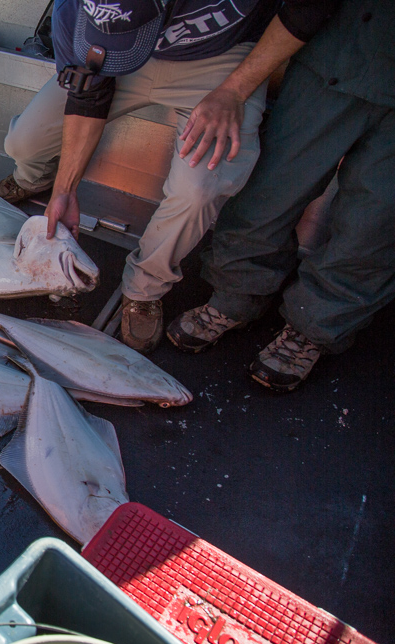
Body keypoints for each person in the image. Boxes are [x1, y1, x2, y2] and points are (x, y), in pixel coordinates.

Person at [0, 0, 309, 352]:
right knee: (25, 141)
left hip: (222, 59)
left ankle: (144, 288)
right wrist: (65, 188)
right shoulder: (74, 14)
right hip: (117, 56)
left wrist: (235, 90)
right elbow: (88, 92)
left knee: (198, 190)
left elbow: (306, 11)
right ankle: (35, 179)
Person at [166, 0, 394, 392]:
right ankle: (235, 296)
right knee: (270, 189)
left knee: (375, 222)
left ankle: (315, 324)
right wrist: (237, 87)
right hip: (338, 50)